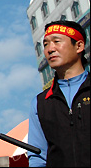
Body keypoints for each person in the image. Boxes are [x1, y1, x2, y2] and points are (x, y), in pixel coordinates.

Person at [28, 20, 90, 167]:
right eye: (46, 44)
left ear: (79, 46)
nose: (50, 49)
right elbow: (38, 157)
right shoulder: (40, 103)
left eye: (57, 41)